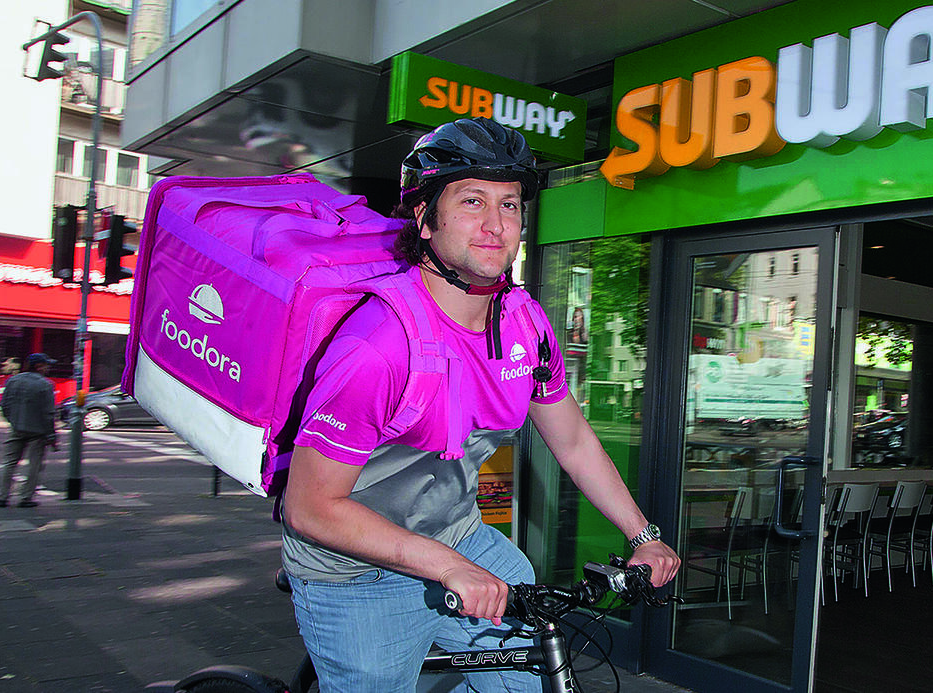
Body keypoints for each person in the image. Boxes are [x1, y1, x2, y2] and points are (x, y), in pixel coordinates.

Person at [279, 116, 681, 693]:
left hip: (461, 537)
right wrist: (445, 567)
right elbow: (312, 508)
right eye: (472, 201)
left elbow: (571, 441)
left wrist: (642, 535)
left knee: (529, 677)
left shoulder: (525, 324)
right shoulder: (378, 345)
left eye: (511, 205)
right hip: (355, 573)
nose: (496, 225)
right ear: (424, 217)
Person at [0, 353, 58, 508]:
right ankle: (26, 497)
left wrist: (13, 421)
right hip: (38, 431)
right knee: (34, 465)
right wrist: (51, 435)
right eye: (46, 364)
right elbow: (48, 413)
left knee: (9, 463)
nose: (48, 367)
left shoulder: (13, 381)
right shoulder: (46, 385)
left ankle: (1, 496)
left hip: (16, 427)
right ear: (39, 366)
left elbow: (4, 405)